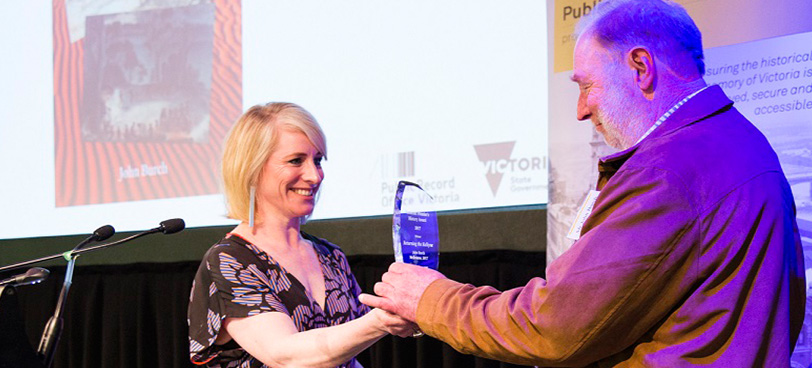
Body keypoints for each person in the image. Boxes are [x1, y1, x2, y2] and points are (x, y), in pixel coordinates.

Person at [360, 0, 806, 366]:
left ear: (640, 67)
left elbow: (554, 327)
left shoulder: (665, 170)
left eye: (586, 86)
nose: (580, 110)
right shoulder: (745, 143)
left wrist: (433, 299)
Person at [188, 102, 415, 367]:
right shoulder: (229, 261)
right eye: (296, 160)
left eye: (317, 160)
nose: (314, 175)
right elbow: (286, 357)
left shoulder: (330, 256)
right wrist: (380, 320)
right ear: (252, 168)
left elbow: (344, 359)